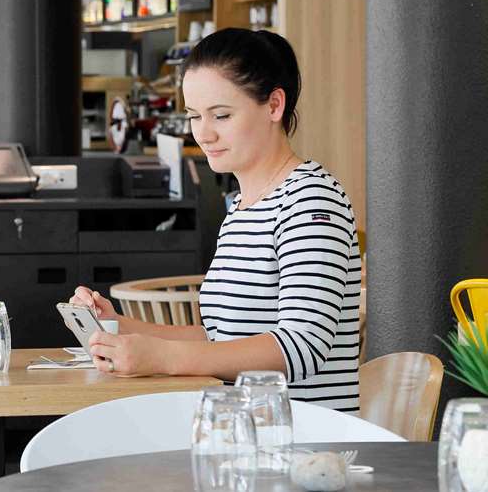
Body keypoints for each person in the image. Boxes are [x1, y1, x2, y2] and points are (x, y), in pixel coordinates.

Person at [71, 28, 361, 412]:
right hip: (241, 431)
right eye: (194, 116)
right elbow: (220, 341)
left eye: (221, 115)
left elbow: (301, 346)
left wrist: (163, 358)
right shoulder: (242, 207)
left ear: (274, 106)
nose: (204, 134)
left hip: (304, 438)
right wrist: (119, 325)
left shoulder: (311, 201)